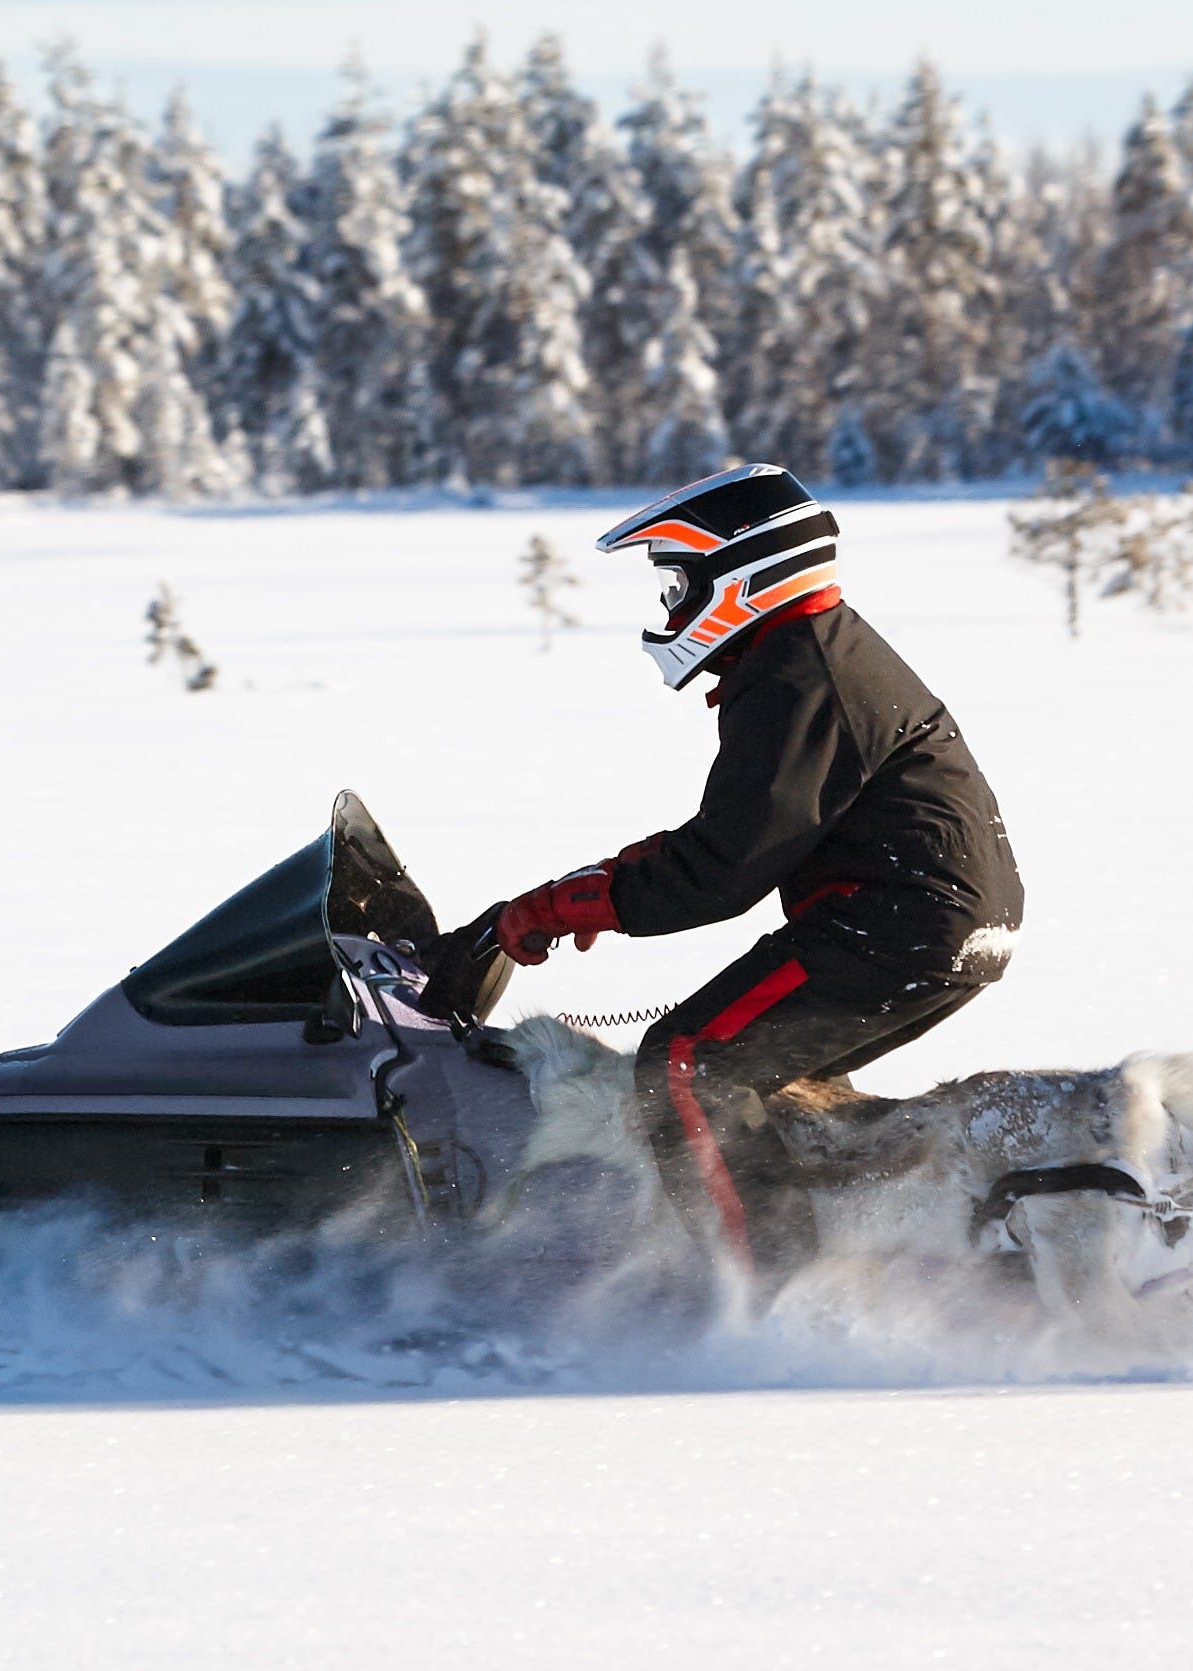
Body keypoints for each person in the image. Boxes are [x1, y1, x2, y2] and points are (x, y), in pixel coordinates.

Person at [419, 463, 1024, 1291]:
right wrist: (585, 892)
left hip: (896, 925)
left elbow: (720, 872)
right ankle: (869, 1263)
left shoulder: (798, 672)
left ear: (742, 571)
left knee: (688, 1065)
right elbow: (744, 834)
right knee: (772, 1088)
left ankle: (769, 1294)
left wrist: (556, 909)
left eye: (678, 583)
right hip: (927, 923)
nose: (670, 608)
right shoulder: (806, 654)